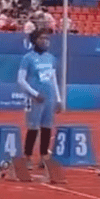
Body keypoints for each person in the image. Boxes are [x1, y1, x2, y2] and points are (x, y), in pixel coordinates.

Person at [17, 28, 62, 169]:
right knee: (33, 128)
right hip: (35, 98)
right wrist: (34, 94)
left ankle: (44, 157)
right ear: (35, 40)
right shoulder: (28, 58)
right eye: (42, 38)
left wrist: (58, 99)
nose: (45, 41)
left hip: (49, 97)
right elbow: (21, 80)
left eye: (47, 38)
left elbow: (53, 79)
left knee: (47, 128)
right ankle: (28, 157)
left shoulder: (51, 58)